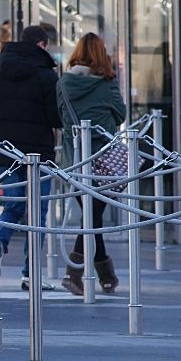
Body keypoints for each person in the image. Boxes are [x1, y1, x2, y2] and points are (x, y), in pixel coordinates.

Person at [0, 24, 62, 288]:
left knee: (12, 205)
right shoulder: (46, 76)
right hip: (38, 153)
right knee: (38, 213)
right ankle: (30, 274)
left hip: (4, 151)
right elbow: (54, 118)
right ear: (42, 45)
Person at [58, 32, 126, 295]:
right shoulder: (107, 83)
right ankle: (76, 275)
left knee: (91, 217)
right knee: (92, 217)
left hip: (73, 162)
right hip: (104, 161)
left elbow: (60, 116)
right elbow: (121, 114)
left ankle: (105, 276)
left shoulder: (64, 83)